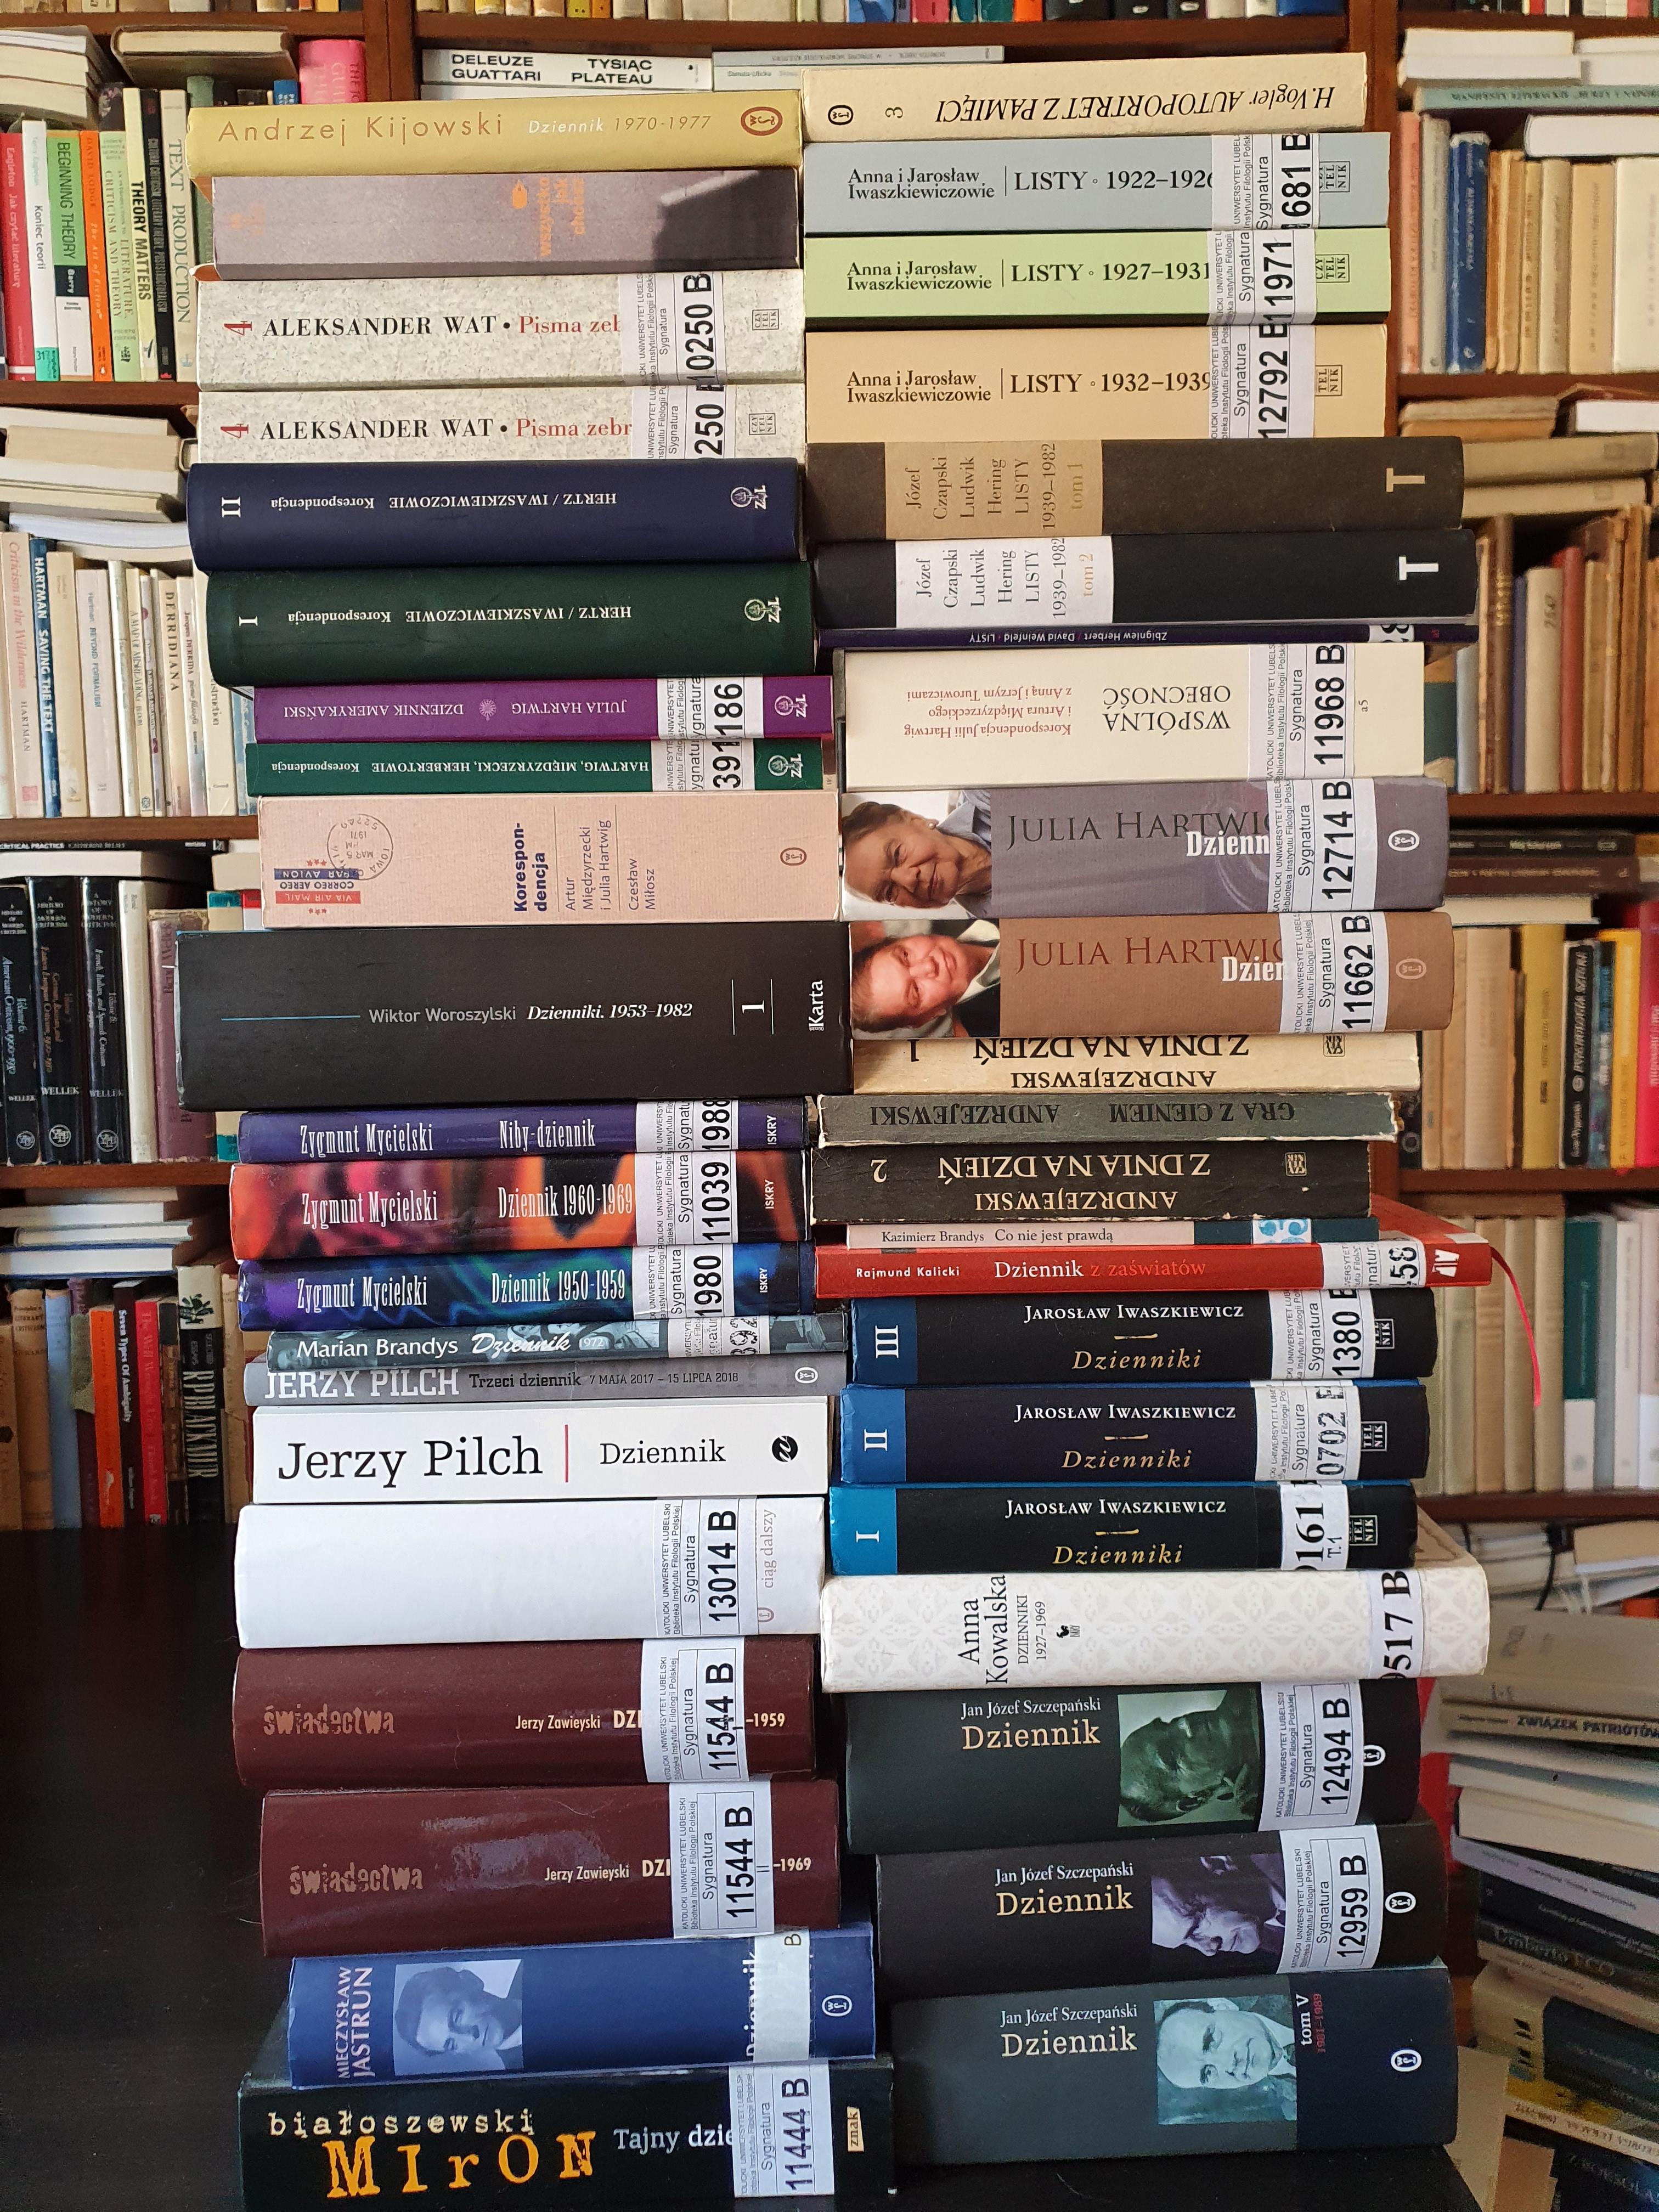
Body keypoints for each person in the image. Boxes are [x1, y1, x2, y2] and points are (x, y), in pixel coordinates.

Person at [1118, 1685, 1261, 1827]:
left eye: (1167, 1725)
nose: (1184, 1722)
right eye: (1171, 1752)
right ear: (1193, 1801)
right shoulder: (1264, 1802)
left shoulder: (1249, 1684)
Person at [840, 794, 994, 913]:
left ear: (917, 820)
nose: (909, 881)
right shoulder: (996, 929)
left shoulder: (988, 793)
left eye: (898, 855)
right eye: (889, 893)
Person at [848, 924, 1001, 1039]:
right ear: (928, 1016)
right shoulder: (996, 1030)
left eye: (906, 956)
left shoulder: (974, 905)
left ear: (903, 939)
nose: (929, 966)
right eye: (916, 991)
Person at [1155, 1999, 1297, 2111]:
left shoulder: (1288, 1998)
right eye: (1208, 2073)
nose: (1227, 2063)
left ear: (1223, 2006)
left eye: (1211, 2040)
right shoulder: (1290, 2108)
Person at [1149, 1852, 1287, 1962]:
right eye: (1186, 1944)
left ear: (1217, 1863)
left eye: (1196, 1929)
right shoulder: (1275, 1945)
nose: (1210, 1951)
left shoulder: (1286, 1858)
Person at [394, 1962, 523, 2072]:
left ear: (471, 1981)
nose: (470, 2037)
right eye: (452, 2045)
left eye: (457, 2018)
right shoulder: (521, 2074)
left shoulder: (529, 1963)